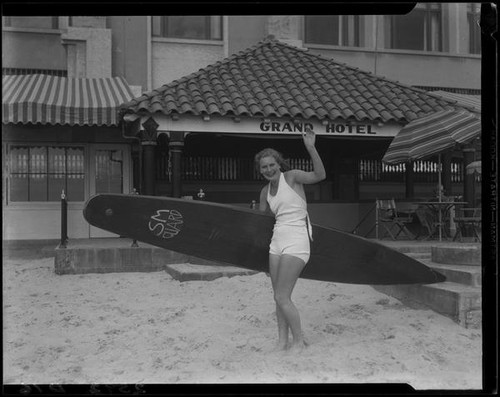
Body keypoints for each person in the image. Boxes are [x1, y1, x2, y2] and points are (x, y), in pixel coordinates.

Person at [255, 128, 326, 351]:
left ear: (279, 163)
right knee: (278, 298)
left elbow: (319, 175)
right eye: (264, 167)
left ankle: (298, 341)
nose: (268, 169)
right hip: (276, 243)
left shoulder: (292, 177)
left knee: (282, 295)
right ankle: (282, 341)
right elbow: (263, 225)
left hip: (297, 240)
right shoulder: (264, 192)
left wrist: (311, 148)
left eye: (271, 164)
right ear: (260, 170)